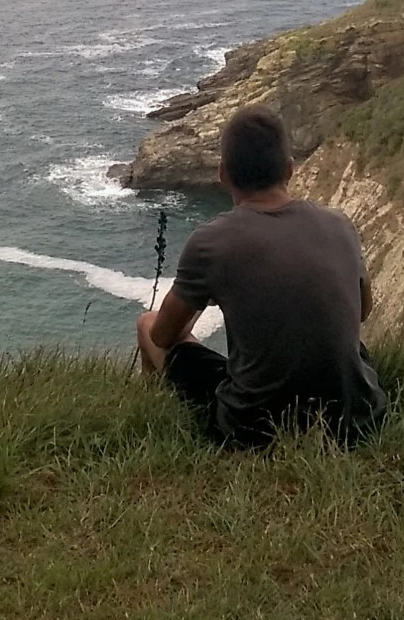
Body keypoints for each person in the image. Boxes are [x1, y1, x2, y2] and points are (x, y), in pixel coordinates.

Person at [135, 104, 388, 449]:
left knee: (146, 323)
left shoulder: (210, 243)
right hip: (357, 419)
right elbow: (361, 312)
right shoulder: (340, 224)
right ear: (290, 169)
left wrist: (209, 292)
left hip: (256, 430)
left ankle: (147, 417)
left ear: (223, 174)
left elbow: (164, 335)